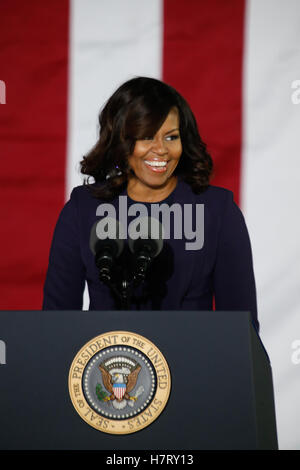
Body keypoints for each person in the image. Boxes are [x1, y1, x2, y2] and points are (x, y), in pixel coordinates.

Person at [42, 76, 259, 331]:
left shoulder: (217, 210)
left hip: (193, 367)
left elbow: (241, 329)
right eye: (146, 137)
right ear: (122, 141)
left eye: (171, 137)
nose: (161, 150)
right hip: (107, 368)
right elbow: (55, 324)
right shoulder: (83, 209)